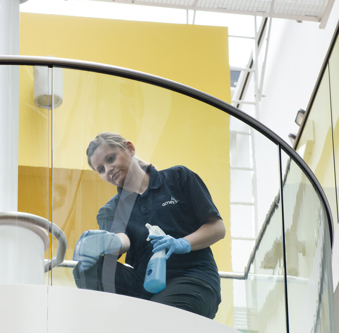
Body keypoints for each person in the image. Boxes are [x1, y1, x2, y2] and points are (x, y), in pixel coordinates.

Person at [72, 132, 225, 319]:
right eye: (101, 169)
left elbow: (217, 228)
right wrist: (108, 241)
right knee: (86, 270)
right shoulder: (110, 210)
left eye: (111, 158)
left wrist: (181, 243)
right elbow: (124, 239)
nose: (108, 169)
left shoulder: (178, 178)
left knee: (156, 317)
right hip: (147, 284)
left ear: (129, 148)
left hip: (193, 277)